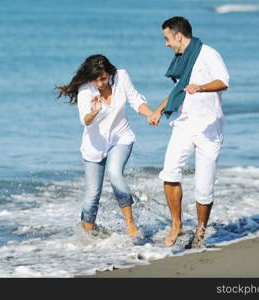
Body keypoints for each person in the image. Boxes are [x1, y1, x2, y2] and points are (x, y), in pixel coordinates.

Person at [149, 17, 230, 248]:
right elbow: (179, 89)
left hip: (209, 128)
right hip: (184, 123)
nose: (166, 44)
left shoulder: (208, 54)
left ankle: (200, 233)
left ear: (179, 36)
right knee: (170, 173)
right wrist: (158, 109)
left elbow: (223, 81)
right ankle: (177, 225)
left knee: (204, 187)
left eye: (167, 38)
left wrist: (201, 87)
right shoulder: (182, 58)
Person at [56, 54, 154, 238]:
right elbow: (85, 120)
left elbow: (136, 100)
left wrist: (150, 114)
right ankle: (87, 236)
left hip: (120, 137)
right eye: (95, 80)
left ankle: (130, 225)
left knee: (115, 173)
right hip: (95, 144)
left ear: (109, 72)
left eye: (103, 78)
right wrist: (94, 112)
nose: (100, 84)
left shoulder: (121, 76)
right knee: (93, 194)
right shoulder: (86, 90)